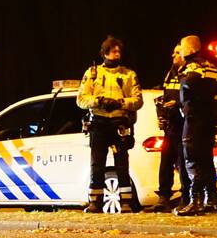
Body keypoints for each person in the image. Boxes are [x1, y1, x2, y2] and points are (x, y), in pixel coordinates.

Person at [76, 36, 144, 213]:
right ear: (105, 53)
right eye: (114, 51)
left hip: (119, 123)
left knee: (122, 164)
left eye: (119, 51)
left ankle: (126, 203)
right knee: (96, 164)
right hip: (98, 123)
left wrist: (121, 103)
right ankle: (95, 202)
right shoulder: (93, 73)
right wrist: (99, 101)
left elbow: (138, 100)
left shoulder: (129, 74)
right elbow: (81, 99)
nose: (117, 54)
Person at [174, 35, 217, 216]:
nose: (180, 51)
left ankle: (195, 201)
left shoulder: (191, 68)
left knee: (192, 159)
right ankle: (211, 199)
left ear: (190, 49)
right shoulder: (212, 68)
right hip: (209, 120)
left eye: (182, 47)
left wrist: (185, 108)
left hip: (194, 119)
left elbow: (187, 88)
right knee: (206, 159)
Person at [145, 44, 191, 213]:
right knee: (165, 163)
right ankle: (163, 198)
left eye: (177, 52)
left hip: (184, 127)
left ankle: (186, 198)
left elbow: (191, 99)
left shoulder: (188, 73)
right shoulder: (170, 73)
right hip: (170, 127)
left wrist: (177, 105)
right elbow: (165, 97)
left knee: (184, 165)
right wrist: (161, 115)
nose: (173, 55)